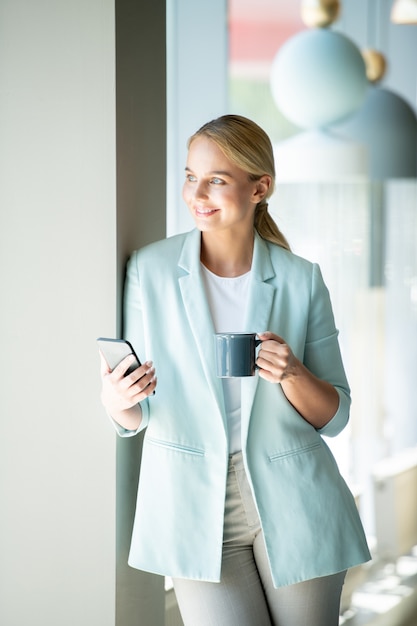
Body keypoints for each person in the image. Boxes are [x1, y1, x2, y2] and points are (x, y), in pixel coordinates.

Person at [99, 114, 371, 626]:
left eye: (216, 180)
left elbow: (335, 416)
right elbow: (138, 415)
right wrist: (119, 401)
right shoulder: (149, 270)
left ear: (259, 187)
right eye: (189, 176)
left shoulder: (300, 279)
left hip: (296, 497)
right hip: (190, 499)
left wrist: (291, 372)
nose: (196, 193)